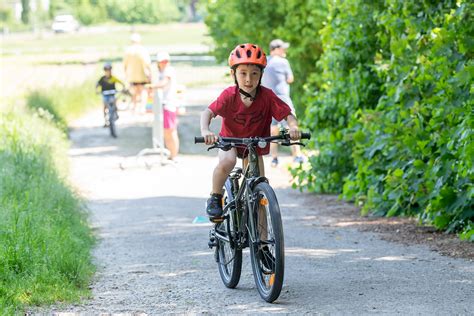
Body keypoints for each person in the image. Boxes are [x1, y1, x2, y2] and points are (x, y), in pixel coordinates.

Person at [200, 43, 302, 221]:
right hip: (229, 142)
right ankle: (215, 197)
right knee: (228, 162)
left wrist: (293, 127)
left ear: (261, 75)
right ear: (233, 74)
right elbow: (208, 113)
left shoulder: (267, 96)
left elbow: (288, 115)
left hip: (253, 145)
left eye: (254, 74)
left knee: (260, 190)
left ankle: (262, 244)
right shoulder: (229, 96)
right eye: (243, 73)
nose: (248, 79)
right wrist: (205, 130)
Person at [261, 39, 304, 167]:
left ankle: (274, 158)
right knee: (291, 127)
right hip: (283, 99)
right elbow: (290, 79)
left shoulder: (264, 62)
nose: (284, 51)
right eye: (282, 48)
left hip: (268, 99)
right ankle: (297, 156)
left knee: (273, 130)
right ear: (275, 49)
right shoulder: (283, 62)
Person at [145, 52, 180, 161]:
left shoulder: (169, 70)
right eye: (162, 61)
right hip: (163, 104)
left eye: (166, 61)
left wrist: (152, 86)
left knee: (170, 130)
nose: (164, 63)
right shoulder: (160, 72)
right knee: (166, 131)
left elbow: (164, 83)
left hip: (168, 104)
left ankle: (174, 155)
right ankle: (171, 154)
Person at [123, 33, 151, 112]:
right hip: (142, 74)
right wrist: (149, 73)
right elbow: (147, 63)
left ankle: (134, 107)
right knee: (143, 91)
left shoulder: (128, 50)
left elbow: (125, 64)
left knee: (134, 91)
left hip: (132, 75)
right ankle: (142, 107)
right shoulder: (143, 50)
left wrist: (126, 73)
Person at [96, 62, 124, 127]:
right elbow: (97, 85)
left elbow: (121, 83)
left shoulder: (113, 78)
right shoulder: (102, 79)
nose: (108, 71)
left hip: (112, 94)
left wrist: (123, 88)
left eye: (109, 70)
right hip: (105, 95)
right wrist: (97, 90)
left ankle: (116, 113)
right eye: (106, 70)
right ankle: (106, 121)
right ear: (104, 71)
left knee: (114, 102)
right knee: (104, 107)